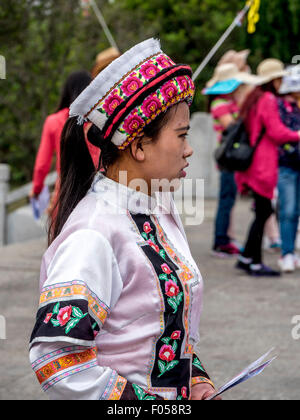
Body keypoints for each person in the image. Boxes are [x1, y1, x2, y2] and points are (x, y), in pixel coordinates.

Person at [29, 38, 218, 400]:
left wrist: (196, 381)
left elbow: (162, 326)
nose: (188, 148)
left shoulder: (156, 209)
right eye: (181, 135)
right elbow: (55, 361)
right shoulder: (94, 231)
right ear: (139, 146)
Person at [235, 59, 300, 277]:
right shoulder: (268, 99)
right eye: (280, 78)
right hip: (263, 162)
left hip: (255, 161)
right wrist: (297, 134)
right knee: (264, 211)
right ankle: (253, 262)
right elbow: (277, 131)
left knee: (262, 211)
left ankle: (248, 258)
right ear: (273, 80)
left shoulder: (255, 98)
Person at [203, 63, 258, 257]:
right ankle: (220, 241)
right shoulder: (219, 103)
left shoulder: (229, 101)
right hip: (228, 157)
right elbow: (232, 126)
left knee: (230, 199)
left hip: (232, 158)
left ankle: (225, 239)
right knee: (226, 200)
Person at [30, 70, 92, 211]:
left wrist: (36, 189)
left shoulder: (53, 121)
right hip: (98, 192)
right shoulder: (98, 118)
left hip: (66, 192)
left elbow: (41, 165)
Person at [276, 65, 300, 272]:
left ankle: (292, 251)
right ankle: (287, 253)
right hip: (286, 165)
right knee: (289, 210)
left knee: (296, 210)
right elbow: (282, 134)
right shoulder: (281, 105)